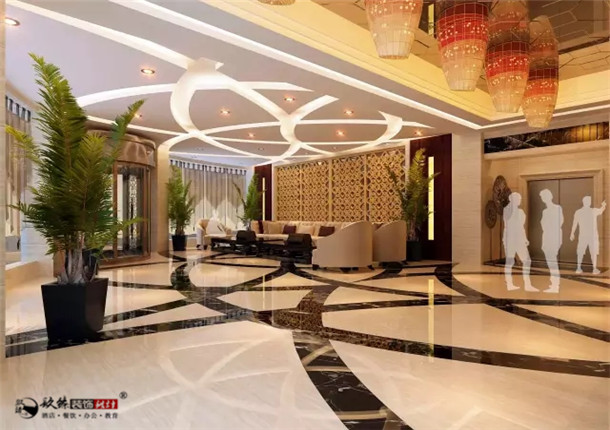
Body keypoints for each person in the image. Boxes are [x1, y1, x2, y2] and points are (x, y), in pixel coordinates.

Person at [503, 192, 537, 291]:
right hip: (512, 239)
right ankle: (511, 284)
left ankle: (526, 284)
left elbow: (521, 227)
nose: (520, 200)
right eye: (518, 199)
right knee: (511, 262)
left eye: (520, 199)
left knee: (525, 261)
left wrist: (525, 239)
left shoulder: (519, 212)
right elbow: (510, 226)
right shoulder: (508, 211)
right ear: (512, 200)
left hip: (517, 239)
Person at [570, 197, 606, 274]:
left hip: (590, 236)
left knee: (591, 252)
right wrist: (572, 233)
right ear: (584, 202)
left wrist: (603, 206)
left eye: (589, 201)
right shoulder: (582, 212)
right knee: (582, 251)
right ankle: (580, 268)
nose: (588, 202)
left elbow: (601, 210)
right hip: (586, 236)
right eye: (587, 201)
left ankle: (591, 268)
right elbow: (575, 223)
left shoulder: (590, 211)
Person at [539, 189, 563, 293]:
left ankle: (555, 285)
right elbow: (543, 225)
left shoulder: (557, 208)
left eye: (544, 196)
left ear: (549, 196)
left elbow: (560, 222)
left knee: (552, 262)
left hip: (553, 237)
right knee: (550, 262)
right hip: (547, 237)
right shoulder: (545, 211)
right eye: (542, 197)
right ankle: (554, 283)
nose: (543, 198)